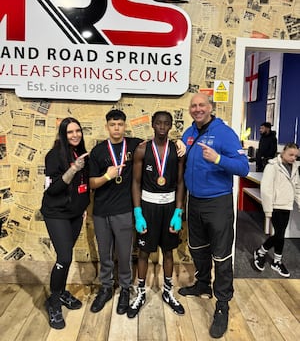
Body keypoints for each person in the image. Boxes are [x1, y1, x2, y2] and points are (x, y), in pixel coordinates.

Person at [178, 93, 249, 339]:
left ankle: (222, 305)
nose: (197, 109)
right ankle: (201, 284)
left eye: (201, 105)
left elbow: (243, 168)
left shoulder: (224, 133)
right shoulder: (189, 131)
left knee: (221, 254)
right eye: (193, 106)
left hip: (218, 202)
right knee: (197, 248)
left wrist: (217, 158)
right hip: (194, 201)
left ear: (210, 108)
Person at [127, 111, 186, 318]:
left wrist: (178, 211)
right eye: (159, 123)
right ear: (152, 124)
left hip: (169, 207)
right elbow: (135, 182)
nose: (162, 127)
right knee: (143, 253)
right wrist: (138, 212)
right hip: (148, 207)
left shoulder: (176, 151)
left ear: (171, 126)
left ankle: (168, 292)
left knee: (168, 251)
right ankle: (141, 292)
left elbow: (180, 183)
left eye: (166, 123)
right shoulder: (142, 149)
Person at [89, 109, 143, 315]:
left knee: (125, 253)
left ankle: (126, 289)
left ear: (125, 125)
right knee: (105, 254)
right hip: (101, 211)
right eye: (113, 125)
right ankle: (105, 288)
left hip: (123, 210)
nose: (117, 128)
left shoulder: (134, 144)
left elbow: (158, 143)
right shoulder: (98, 151)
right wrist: (107, 176)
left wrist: (180, 144)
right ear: (107, 127)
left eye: (120, 124)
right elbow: (92, 183)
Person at [41, 117, 90, 330]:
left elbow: (85, 184)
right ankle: (53, 301)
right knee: (64, 257)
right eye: (70, 132)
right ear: (63, 134)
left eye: (77, 131)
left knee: (66, 256)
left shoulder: (82, 153)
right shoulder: (53, 156)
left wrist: (84, 208)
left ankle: (60, 292)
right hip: (56, 213)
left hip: (75, 214)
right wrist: (73, 169)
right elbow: (52, 189)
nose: (75, 135)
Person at [253, 142, 300, 277]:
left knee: (280, 234)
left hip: (287, 205)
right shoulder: (272, 166)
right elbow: (266, 190)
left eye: (296, 156)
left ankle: (272, 258)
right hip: (275, 206)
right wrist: (268, 210)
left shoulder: (295, 167)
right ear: (283, 151)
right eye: (291, 154)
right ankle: (265, 254)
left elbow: (297, 188)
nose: (293, 158)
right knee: (279, 234)